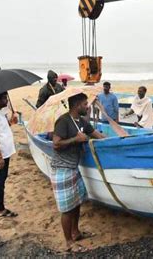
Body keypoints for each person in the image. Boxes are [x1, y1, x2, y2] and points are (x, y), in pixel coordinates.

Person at [50, 93, 105, 252]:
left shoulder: (82, 122)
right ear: (76, 105)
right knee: (67, 208)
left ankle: (76, 233)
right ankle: (68, 243)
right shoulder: (64, 121)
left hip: (74, 168)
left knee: (77, 202)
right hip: (62, 169)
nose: (87, 107)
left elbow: (97, 135)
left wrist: (116, 142)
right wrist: (76, 139)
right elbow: (56, 144)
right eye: (85, 104)